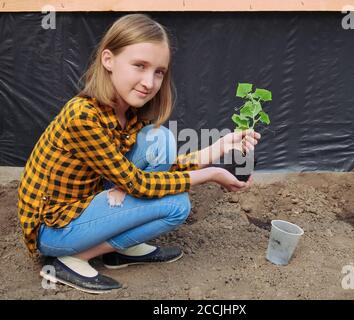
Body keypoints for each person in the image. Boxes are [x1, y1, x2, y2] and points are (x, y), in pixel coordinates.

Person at [17, 14, 260, 294]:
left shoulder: (127, 115)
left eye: (159, 71)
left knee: (159, 141)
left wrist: (221, 146)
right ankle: (70, 260)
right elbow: (139, 183)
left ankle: (118, 249)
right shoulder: (82, 116)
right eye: (139, 66)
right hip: (54, 227)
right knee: (176, 205)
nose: (150, 81)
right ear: (108, 60)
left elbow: (165, 166)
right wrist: (212, 175)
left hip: (87, 203)